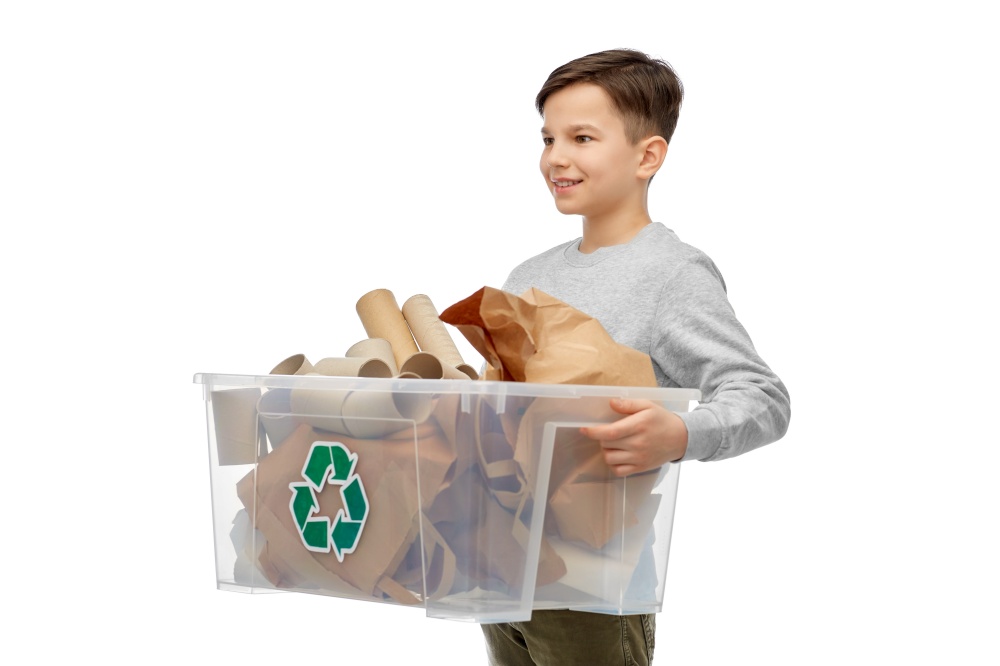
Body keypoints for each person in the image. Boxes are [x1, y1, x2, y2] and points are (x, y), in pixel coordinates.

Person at [479, 49, 791, 665]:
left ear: (647, 156)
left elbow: (761, 395)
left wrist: (679, 432)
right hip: (499, 563)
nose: (555, 157)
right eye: (547, 138)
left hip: (594, 579)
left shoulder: (672, 274)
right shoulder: (528, 274)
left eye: (582, 137)